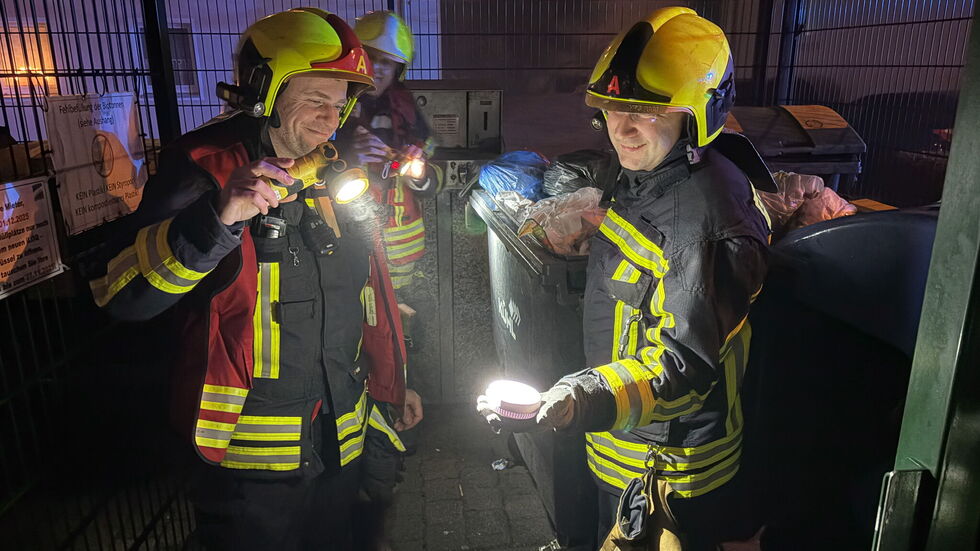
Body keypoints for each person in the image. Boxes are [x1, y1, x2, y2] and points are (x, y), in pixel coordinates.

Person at [85, 9, 423, 550]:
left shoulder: (340, 167)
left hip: (345, 441)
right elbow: (120, 292)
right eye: (315, 99)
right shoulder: (203, 167)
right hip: (249, 469)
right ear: (264, 88)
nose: (330, 119)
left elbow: (374, 287)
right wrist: (218, 218)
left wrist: (395, 380)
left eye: (340, 104)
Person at [478, 7, 775, 550]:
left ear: (698, 115)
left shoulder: (706, 218)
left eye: (645, 110)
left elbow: (681, 366)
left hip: (670, 480)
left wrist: (574, 399)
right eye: (613, 107)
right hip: (626, 457)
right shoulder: (654, 176)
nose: (621, 126)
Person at [340, 10, 441, 293]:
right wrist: (350, 158)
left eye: (388, 62)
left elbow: (433, 176)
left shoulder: (406, 110)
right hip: (348, 249)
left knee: (398, 326)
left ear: (399, 69)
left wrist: (418, 174)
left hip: (401, 256)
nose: (380, 68)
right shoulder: (332, 108)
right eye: (372, 57)